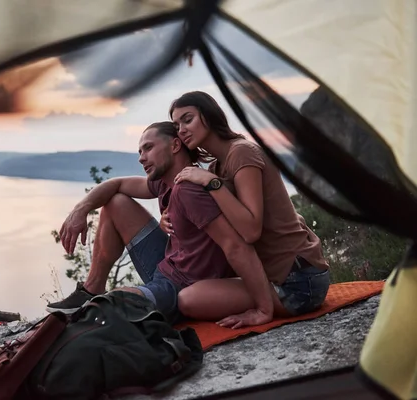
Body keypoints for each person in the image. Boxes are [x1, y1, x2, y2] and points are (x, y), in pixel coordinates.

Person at [46, 121, 289, 328]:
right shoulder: (164, 182)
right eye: (140, 151)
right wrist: (81, 210)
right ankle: (91, 289)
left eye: (148, 148)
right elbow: (115, 184)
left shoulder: (191, 189)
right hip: (167, 266)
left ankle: (103, 301)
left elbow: (235, 245)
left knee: (114, 303)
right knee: (116, 203)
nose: (142, 158)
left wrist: (263, 306)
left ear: (175, 146)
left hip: (185, 286)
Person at [166, 90, 330, 323]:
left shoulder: (241, 152)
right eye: (176, 125)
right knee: (193, 293)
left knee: (189, 300)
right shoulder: (217, 167)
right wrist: (168, 218)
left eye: (187, 119)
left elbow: (251, 230)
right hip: (281, 276)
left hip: (298, 282)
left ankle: (265, 308)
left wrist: (210, 183)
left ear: (210, 116)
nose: (181, 129)